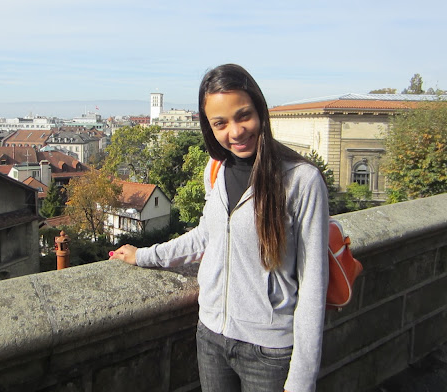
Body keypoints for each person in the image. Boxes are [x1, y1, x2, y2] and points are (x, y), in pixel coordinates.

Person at [110, 64, 329, 392]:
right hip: (211, 335)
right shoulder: (215, 169)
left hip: (269, 349)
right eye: (220, 123)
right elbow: (206, 237)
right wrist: (143, 255)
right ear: (209, 127)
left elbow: (313, 284)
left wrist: (301, 380)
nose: (236, 132)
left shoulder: (301, 180)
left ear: (260, 110)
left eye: (243, 116)